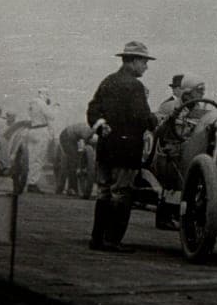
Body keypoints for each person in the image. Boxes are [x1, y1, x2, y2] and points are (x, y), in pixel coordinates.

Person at [86, 41, 158, 252]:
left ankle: (97, 239)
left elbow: (92, 109)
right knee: (121, 193)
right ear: (134, 61)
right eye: (144, 62)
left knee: (104, 192)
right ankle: (112, 241)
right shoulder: (135, 86)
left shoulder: (107, 81)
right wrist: (156, 123)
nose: (146, 67)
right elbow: (142, 117)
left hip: (106, 147)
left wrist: (101, 126)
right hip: (126, 151)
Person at [24, 86, 58, 194]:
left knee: (31, 158)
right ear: (45, 94)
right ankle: (32, 183)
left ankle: (29, 181)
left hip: (32, 130)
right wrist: (55, 107)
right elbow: (51, 116)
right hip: (41, 131)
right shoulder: (42, 103)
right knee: (39, 159)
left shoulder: (31, 103)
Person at [58, 121, 95, 197]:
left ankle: (72, 187)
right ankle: (72, 188)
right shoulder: (88, 130)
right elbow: (88, 148)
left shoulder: (92, 128)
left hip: (73, 138)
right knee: (73, 161)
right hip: (66, 137)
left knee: (75, 159)